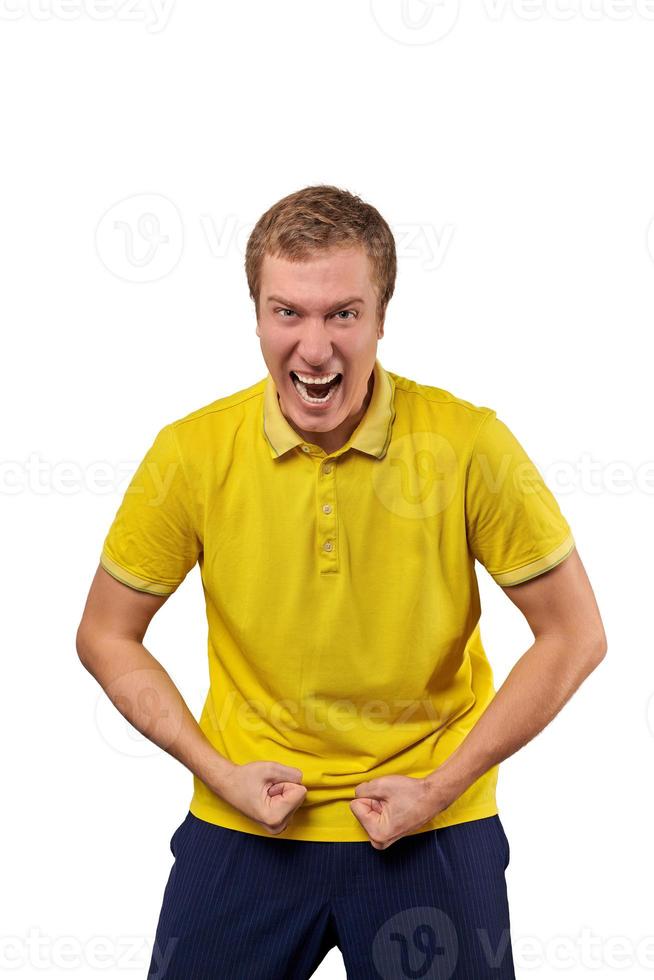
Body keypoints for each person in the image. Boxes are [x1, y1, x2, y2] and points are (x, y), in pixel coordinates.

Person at [76, 184, 607, 979]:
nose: (315, 348)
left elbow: (576, 634)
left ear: (383, 317)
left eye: (342, 314)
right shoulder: (189, 452)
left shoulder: (469, 445)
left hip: (434, 828)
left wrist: (439, 786)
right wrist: (217, 772)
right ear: (255, 315)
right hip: (245, 824)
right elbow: (105, 633)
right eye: (287, 312)